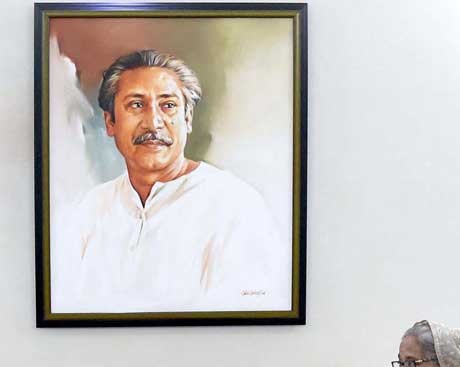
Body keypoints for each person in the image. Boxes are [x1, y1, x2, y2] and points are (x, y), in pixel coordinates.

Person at [58, 49, 289, 313]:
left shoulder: (236, 207)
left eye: (168, 106)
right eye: (136, 105)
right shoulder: (89, 210)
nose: (153, 123)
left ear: (187, 119)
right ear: (110, 122)